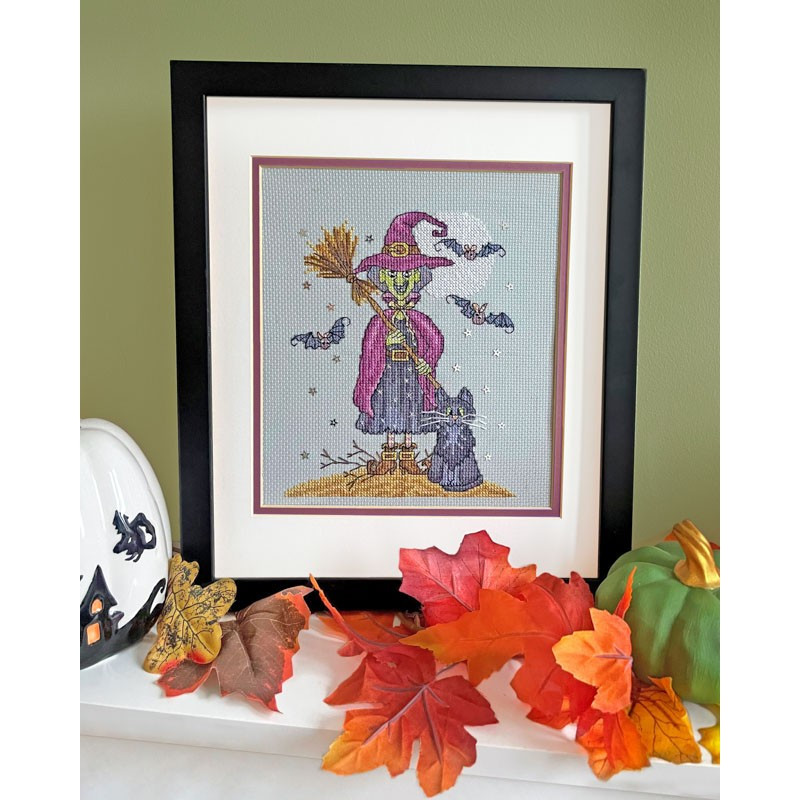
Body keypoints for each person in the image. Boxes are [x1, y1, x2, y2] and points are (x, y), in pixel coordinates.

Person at [353, 212, 454, 475]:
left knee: (410, 407)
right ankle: (388, 455)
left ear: (418, 278)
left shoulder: (418, 319)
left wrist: (426, 362)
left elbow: (435, 340)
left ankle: (408, 455)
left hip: (411, 372)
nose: (400, 282)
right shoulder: (380, 320)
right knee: (388, 405)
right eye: (392, 275)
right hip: (387, 372)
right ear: (381, 278)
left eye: (407, 275)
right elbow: (369, 350)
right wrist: (386, 342)